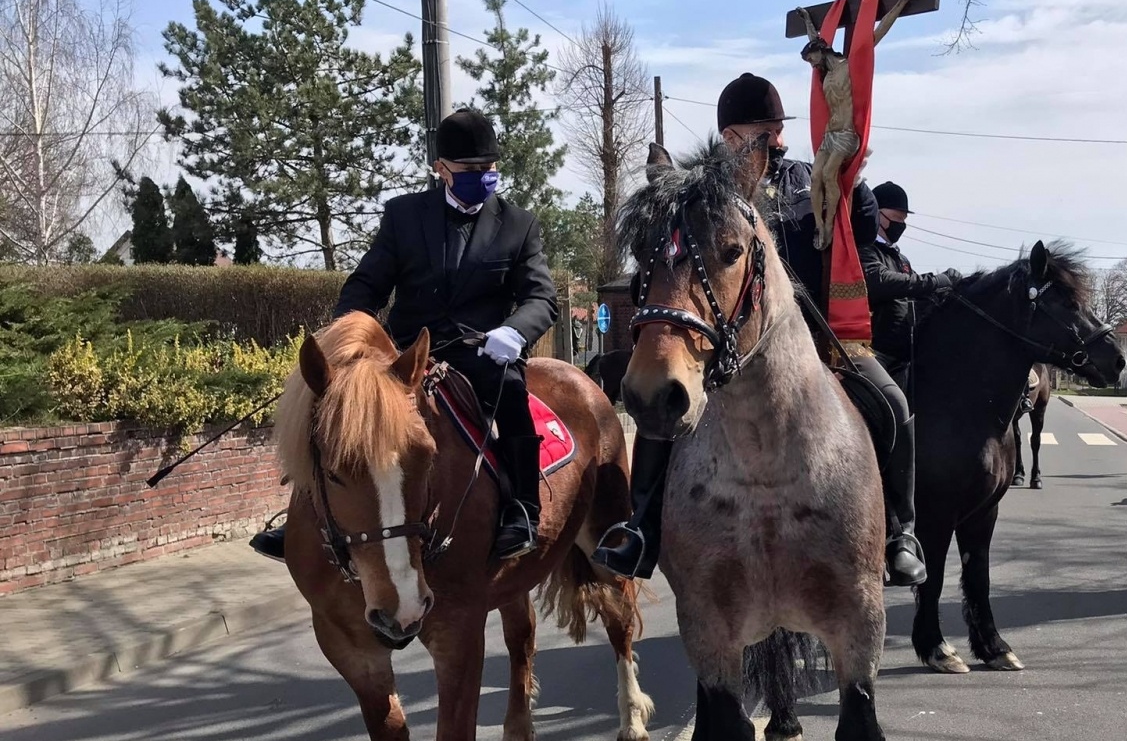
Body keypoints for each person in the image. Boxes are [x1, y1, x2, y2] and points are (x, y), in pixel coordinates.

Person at [592, 73, 929, 586]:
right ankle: (642, 527)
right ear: (729, 137)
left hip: (820, 338)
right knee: (662, 416)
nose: (778, 139)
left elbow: (860, 232)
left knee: (894, 407)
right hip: (732, 345)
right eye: (764, 131)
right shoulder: (705, 195)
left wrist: (849, 176)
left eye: (778, 128)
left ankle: (900, 532)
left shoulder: (808, 180)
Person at [249, 108, 558, 563]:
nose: (482, 177)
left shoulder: (519, 224)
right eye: (470, 170)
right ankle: (303, 511)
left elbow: (540, 297)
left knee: (511, 393)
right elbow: (367, 285)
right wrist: (347, 337)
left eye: (489, 169)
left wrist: (514, 331)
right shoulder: (404, 216)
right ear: (441, 169)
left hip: (482, 350)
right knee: (335, 406)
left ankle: (522, 511)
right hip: (405, 355)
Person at [858, 180, 963, 574]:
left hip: (906, 359)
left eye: (903, 219)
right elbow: (880, 285)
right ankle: (899, 533)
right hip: (871, 357)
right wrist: (932, 281)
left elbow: (916, 293)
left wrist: (946, 292)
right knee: (889, 432)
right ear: (879, 213)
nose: (900, 224)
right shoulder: (866, 250)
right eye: (895, 217)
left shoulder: (898, 256)